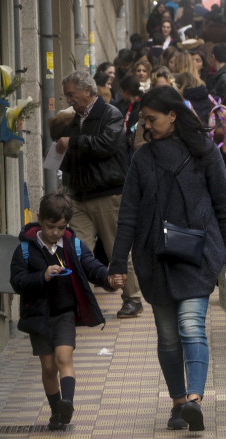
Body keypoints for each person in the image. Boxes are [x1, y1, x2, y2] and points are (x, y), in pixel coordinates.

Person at [108, 86, 226, 432]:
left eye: (151, 119)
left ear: (172, 115)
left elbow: (224, 207)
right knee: (168, 336)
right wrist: (118, 263)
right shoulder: (141, 159)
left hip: (197, 255)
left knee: (190, 326)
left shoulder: (205, 153)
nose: (146, 127)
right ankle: (178, 403)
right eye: (143, 121)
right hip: (155, 259)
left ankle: (195, 400)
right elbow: (128, 215)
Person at [10, 192, 122, 431]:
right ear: (40, 219)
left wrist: (107, 278)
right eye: (51, 227)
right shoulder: (25, 249)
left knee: (64, 358)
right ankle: (56, 411)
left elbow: (91, 266)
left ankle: (67, 403)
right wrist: (42, 276)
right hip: (37, 317)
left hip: (64, 313)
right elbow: (17, 281)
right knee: (49, 367)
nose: (55, 233)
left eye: (61, 228)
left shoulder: (73, 245)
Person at [55, 70, 145, 319]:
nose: (68, 100)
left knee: (117, 249)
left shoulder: (110, 114)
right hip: (80, 196)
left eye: (71, 94)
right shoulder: (75, 119)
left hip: (108, 194)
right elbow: (73, 155)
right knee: (78, 250)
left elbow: (107, 144)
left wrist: (73, 142)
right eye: (66, 96)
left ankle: (132, 299)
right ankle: (81, 301)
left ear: (87, 91)